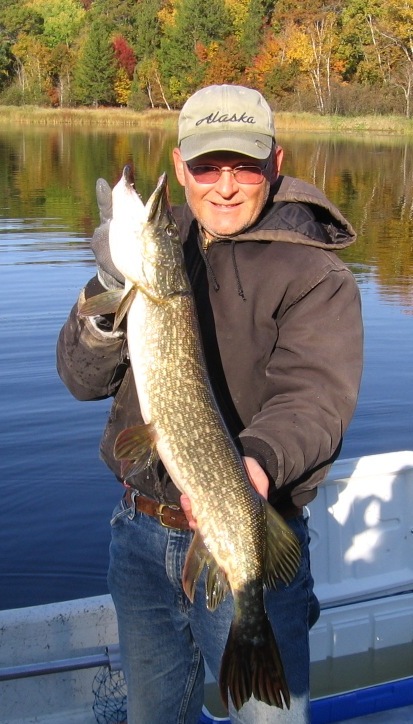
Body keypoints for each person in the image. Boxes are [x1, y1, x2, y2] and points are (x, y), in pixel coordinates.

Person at [56, 84, 363, 724]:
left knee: (267, 716)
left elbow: (315, 402)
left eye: (244, 165)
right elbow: (82, 382)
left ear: (275, 164)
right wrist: (110, 293)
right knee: (153, 716)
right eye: (205, 167)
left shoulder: (316, 276)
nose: (223, 186)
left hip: (243, 525)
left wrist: (254, 464)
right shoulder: (160, 256)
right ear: (179, 168)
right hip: (138, 535)